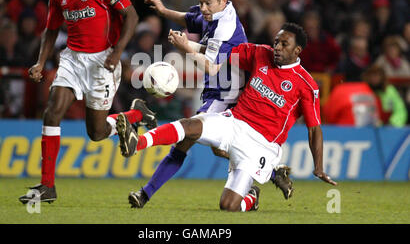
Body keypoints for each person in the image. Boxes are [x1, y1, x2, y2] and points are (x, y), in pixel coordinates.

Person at [122, 23, 324, 212]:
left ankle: (252, 195)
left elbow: (314, 128)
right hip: (233, 121)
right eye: (276, 42)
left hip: (262, 144)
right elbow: (220, 52)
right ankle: (137, 143)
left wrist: (318, 167)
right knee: (189, 128)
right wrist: (187, 44)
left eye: (284, 44)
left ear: (297, 50)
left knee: (229, 205)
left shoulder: (306, 85)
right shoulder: (261, 53)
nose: (277, 47)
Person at [18, 0, 156, 204]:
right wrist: (39, 61)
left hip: (103, 60)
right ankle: (47, 186)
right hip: (72, 59)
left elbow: (132, 16)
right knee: (52, 111)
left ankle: (137, 113)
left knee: (96, 133)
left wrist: (117, 53)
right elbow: (50, 30)